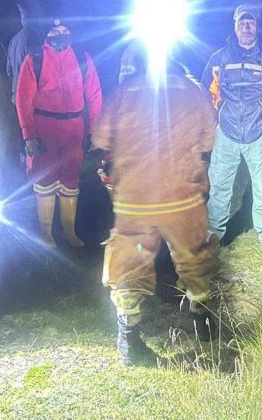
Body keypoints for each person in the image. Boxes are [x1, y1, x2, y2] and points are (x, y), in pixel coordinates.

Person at [93, 56, 218, 366]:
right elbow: (209, 138)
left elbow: (100, 137)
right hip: (182, 195)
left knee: (129, 266)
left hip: (135, 197)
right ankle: (203, 322)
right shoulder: (193, 89)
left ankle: (129, 340)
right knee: (194, 257)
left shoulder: (124, 91)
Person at [200, 4, 262, 260]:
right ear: (234, 25)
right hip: (226, 136)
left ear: (258, 26)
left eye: (251, 22)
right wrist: (215, 123)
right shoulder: (218, 59)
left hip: (260, 137)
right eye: (242, 22)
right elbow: (204, 94)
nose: (246, 27)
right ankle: (212, 240)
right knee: (219, 190)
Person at [16, 16, 102, 247]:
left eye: (64, 30)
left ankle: (69, 231)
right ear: (45, 35)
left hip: (75, 129)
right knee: (44, 180)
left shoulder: (83, 58)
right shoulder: (34, 60)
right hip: (45, 128)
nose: (59, 35)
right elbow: (23, 99)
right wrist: (29, 134)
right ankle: (46, 232)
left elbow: (94, 97)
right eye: (54, 32)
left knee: (70, 180)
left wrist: (94, 131)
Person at [6, 0, 46, 106]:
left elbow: (9, 71)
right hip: (32, 100)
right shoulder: (35, 38)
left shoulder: (13, 40)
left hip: (16, 98)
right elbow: (39, 70)